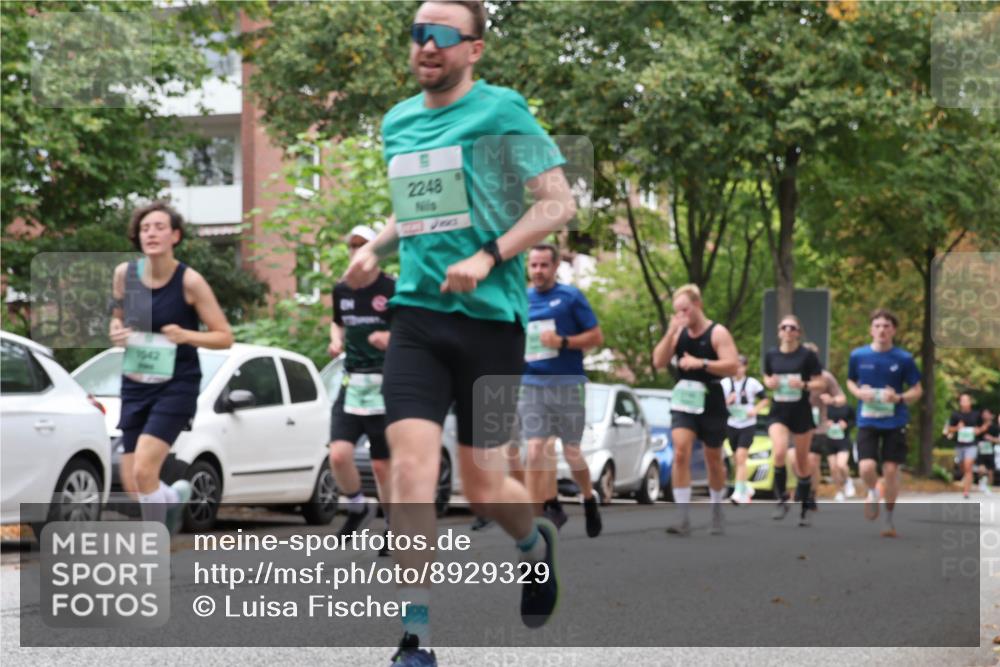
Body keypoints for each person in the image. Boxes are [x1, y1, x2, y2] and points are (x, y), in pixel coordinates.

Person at [342, 2, 577, 663]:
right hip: (416, 317)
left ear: (473, 49)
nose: (427, 45)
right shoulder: (397, 121)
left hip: (494, 328)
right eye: (419, 33)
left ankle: (535, 547)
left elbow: (558, 203)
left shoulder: (503, 111)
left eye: (443, 35)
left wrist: (490, 255)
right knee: (413, 469)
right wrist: (378, 251)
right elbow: (420, 208)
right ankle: (414, 636)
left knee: (483, 485)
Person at [110, 201, 233, 534]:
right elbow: (118, 317)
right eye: (145, 228)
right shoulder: (125, 274)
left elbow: (225, 337)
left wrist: (185, 335)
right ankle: (174, 497)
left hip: (176, 384)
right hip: (135, 381)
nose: (151, 233)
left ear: (175, 235)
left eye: (159, 227)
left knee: (144, 472)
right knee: (131, 479)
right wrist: (116, 331)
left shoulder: (189, 281)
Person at [518, 243, 604, 536]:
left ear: (555, 267)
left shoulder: (570, 297)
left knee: (571, 451)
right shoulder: (522, 298)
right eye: (533, 265)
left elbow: (596, 336)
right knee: (535, 448)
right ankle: (535, 520)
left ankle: (589, 498)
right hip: (531, 383)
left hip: (567, 383)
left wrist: (563, 342)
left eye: (544, 265)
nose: (538, 271)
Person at [652, 284, 740, 536]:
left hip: (711, 397)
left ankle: (716, 509)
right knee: (680, 452)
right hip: (684, 400)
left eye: (685, 310)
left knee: (714, 458)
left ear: (698, 305)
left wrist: (701, 362)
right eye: (677, 311)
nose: (682, 315)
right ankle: (682, 516)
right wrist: (670, 332)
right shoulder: (677, 332)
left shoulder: (717, 332)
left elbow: (732, 366)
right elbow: (658, 361)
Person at [327, 225, 395, 550]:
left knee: (382, 465)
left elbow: (413, 333)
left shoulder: (393, 288)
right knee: (338, 454)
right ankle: (357, 507)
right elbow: (337, 321)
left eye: (363, 244)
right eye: (352, 245)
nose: (356, 250)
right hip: (352, 380)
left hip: (384, 382)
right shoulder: (341, 289)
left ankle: (395, 524)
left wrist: (389, 340)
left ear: (376, 250)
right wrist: (335, 340)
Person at [847, 308, 922, 538]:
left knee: (890, 470)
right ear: (871, 329)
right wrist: (859, 393)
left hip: (894, 420)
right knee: (866, 467)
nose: (882, 330)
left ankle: (888, 519)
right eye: (877, 325)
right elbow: (850, 381)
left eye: (886, 326)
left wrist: (898, 397)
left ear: (894, 331)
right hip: (867, 419)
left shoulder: (904, 358)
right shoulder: (858, 355)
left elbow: (917, 390)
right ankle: (872, 490)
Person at [762, 316, 825, 526]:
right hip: (779, 411)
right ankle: (781, 500)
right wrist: (769, 382)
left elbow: (820, 382)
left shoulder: (807, 356)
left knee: (801, 461)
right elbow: (766, 376)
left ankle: (806, 506)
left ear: (798, 332)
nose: (788, 331)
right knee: (779, 451)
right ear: (779, 331)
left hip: (801, 412)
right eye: (784, 327)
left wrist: (804, 384)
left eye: (792, 328)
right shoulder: (771, 354)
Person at [803, 342, 848, 505]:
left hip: (818, 427)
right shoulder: (794, 375)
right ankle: (802, 489)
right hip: (795, 424)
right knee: (797, 461)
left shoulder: (825, 377)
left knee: (813, 461)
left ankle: (812, 495)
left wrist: (832, 399)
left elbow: (842, 399)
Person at [721, 354, 768, 505]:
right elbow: (716, 404)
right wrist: (727, 401)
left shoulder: (752, 383)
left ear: (745, 367)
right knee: (736, 459)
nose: (738, 369)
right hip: (732, 422)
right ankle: (746, 486)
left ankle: (737, 492)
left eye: (741, 366)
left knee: (742, 456)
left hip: (747, 424)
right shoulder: (725, 383)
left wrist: (755, 410)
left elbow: (766, 399)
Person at [944, 392, 987, 499]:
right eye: (962, 400)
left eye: (966, 400)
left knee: (968, 466)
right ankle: (968, 480)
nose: (964, 402)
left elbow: (985, 425)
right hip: (960, 445)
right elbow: (948, 429)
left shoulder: (976, 414)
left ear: (970, 402)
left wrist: (979, 430)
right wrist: (957, 427)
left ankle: (966, 492)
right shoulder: (955, 415)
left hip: (971, 444)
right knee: (963, 467)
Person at [975, 407, 997, 495]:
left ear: (991, 415)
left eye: (987, 413)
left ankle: (989, 488)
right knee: (981, 469)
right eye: (984, 413)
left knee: (991, 471)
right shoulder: (979, 425)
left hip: (990, 451)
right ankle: (982, 481)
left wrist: (991, 438)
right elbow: (974, 435)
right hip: (981, 451)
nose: (985, 415)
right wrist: (982, 429)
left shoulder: (995, 427)